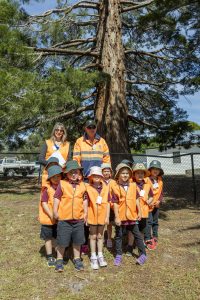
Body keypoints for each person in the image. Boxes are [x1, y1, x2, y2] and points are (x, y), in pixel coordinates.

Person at [73, 120, 111, 254]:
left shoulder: (102, 142)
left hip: (98, 180)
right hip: (84, 180)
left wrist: (105, 175)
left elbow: (106, 160)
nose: (91, 129)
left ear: (96, 128)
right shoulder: (79, 141)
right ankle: (84, 243)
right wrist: (77, 175)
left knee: (98, 208)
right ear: (85, 128)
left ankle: (98, 237)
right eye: (89, 127)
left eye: (93, 127)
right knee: (85, 210)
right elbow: (76, 160)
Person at [53, 160, 87, 272]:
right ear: (66, 173)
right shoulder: (62, 184)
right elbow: (56, 198)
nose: (73, 174)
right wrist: (55, 211)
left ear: (79, 173)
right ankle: (59, 259)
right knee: (62, 241)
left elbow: (85, 200)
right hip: (64, 219)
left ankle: (77, 259)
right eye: (71, 172)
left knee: (77, 241)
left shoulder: (83, 185)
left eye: (76, 172)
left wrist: (85, 213)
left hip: (78, 219)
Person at [110, 163, 147, 266]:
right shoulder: (115, 187)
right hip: (121, 217)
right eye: (123, 173)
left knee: (137, 235)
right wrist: (117, 217)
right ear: (118, 175)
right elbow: (115, 203)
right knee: (119, 236)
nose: (125, 175)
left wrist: (139, 212)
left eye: (127, 173)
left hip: (131, 215)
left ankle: (143, 254)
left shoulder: (133, 186)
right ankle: (118, 255)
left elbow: (137, 200)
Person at [85, 166, 110, 270]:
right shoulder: (87, 188)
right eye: (94, 175)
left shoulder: (106, 187)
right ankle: (93, 256)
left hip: (102, 215)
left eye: (98, 175)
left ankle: (100, 255)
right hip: (92, 215)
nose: (96, 177)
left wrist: (107, 216)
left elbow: (108, 203)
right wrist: (85, 216)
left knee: (100, 236)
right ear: (91, 177)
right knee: (93, 236)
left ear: (101, 176)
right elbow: (85, 203)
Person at [38, 165, 62, 267]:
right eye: (54, 177)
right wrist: (51, 214)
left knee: (57, 236)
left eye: (58, 176)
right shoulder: (47, 189)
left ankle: (58, 252)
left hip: (60, 219)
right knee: (48, 237)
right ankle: (49, 255)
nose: (56, 179)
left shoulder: (64, 188)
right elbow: (44, 203)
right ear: (50, 178)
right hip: (48, 218)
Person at [145, 160, 164, 250]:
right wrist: (149, 201)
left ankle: (155, 236)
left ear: (159, 171)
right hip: (148, 205)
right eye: (153, 169)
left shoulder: (160, 180)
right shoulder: (146, 180)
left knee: (155, 222)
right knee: (149, 222)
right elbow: (145, 192)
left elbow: (161, 193)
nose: (155, 171)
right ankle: (148, 238)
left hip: (156, 205)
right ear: (150, 170)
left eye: (157, 169)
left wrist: (159, 201)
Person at [132, 164, 153, 242]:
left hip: (144, 211)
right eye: (137, 173)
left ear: (144, 175)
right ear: (134, 175)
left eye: (142, 173)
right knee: (134, 228)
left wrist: (149, 201)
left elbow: (151, 196)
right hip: (134, 211)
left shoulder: (147, 185)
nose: (140, 175)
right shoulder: (131, 184)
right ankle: (133, 242)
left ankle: (141, 242)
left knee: (143, 228)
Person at [101, 163, 115, 249]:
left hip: (111, 206)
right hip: (102, 205)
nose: (106, 173)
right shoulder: (99, 181)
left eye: (108, 171)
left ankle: (109, 238)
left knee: (109, 223)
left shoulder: (113, 182)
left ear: (110, 173)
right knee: (101, 223)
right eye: (104, 171)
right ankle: (102, 238)